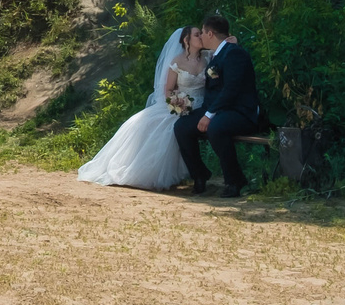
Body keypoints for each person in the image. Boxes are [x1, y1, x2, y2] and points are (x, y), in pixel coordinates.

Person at [74, 25, 209, 190]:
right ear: (187, 40)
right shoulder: (177, 62)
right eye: (197, 35)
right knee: (152, 125)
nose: (201, 36)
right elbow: (167, 90)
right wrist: (177, 104)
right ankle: (137, 169)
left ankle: (197, 174)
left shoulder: (208, 58)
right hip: (182, 105)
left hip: (204, 105)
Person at [173, 12, 263, 197]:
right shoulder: (217, 54)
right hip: (217, 110)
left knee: (216, 128)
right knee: (182, 126)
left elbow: (231, 90)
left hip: (240, 112)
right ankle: (199, 174)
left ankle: (235, 180)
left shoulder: (234, 54)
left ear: (210, 34)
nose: (202, 37)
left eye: (203, 33)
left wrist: (209, 115)